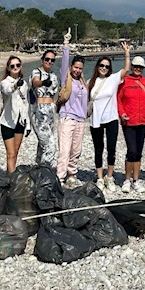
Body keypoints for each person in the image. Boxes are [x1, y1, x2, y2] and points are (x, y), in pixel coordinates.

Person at [88, 42, 131, 192]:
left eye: (106, 66)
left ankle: (110, 177)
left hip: (111, 118)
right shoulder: (91, 82)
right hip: (96, 120)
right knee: (98, 148)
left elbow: (126, 69)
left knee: (111, 149)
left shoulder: (113, 78)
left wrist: (126, 52)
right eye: (101, 65)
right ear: (97, 66)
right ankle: (100, 178)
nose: (104, 68)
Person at [117, 56, 145, 192]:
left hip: (142, 121)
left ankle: (136, 180)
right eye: (136, 66)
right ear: (132, 67)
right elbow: (118, 99)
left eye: (140, 67)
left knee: (138, 152)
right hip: (128, 121)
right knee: (131, 151)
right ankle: (127, 180)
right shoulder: (124, 81)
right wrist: (121, 113)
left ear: (143, 69)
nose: (138, 69)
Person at [56, 36, 88, 187]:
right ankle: (60, 178)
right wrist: (66, 44)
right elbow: (64, 62)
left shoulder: (82, 81)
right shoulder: (66, 78)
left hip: (80, 119)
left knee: (76, 150)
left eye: (80, 68)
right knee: (64, 150)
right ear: (71, 67)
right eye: (75, 67)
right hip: (67, 118)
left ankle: (72, 174)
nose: (77, 70)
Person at [29, 39, 63, 168]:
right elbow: (35, 82)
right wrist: (43, 82)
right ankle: (46, 169)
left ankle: (39, 166)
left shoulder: (53, 75)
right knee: (50, 145)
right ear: (42, 59)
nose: (49, 62)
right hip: (39, 110)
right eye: (47, 59)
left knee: (43, 143)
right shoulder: (36, 72)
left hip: (50, 110)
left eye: (52, 60)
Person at [0, 55, 30, 174]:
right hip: (7, 121)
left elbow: (25, 104)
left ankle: (9, 175)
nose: (15, 67)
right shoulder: (4, 82)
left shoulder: (24, 83)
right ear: (8, 68)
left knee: (15, 152)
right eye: (12, 66)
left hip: (20, 121)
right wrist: (16, 85)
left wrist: (28, 124)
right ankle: (12, 180)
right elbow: (7, 90)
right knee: (11, 153)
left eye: (18, 65)